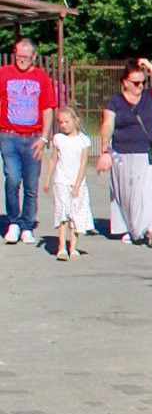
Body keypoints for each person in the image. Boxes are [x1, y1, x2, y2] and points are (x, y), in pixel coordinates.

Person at [97, 57, 152, 247]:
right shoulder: (115, 102)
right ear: (125, 83)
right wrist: (105, 149)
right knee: (126, 193)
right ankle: (129, 229)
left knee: (149, 191)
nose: (140, 86)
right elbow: (107, 124)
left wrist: (150, 67)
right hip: (123, 152)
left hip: (147, 153)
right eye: (135, 83)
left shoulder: (149, 96)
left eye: (142, 82)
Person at [1, 37, 57, 245]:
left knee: (31, 184)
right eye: (18, 56)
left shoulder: (41, 78)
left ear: (33, 56)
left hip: (33, 138)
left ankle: (27, 226)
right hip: (9, 136)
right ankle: (14, 222)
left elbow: (48, 108)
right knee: (12, 178)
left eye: (26, 57)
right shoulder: (4, 73)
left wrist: (44, 137)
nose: (21, 60)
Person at [44, 106, 94, 259]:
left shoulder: (83, 140)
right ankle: (62, 247)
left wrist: (78, 184)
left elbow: (83, 163)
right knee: (63, 214)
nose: (63, 125)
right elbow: (53, 160)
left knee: (76, 214)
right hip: (61, 181)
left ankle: (73, 247)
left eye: (66, 122)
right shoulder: (58, 139)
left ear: (75, 121)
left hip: (77, 183)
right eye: (61, 122)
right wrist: (47, 180)